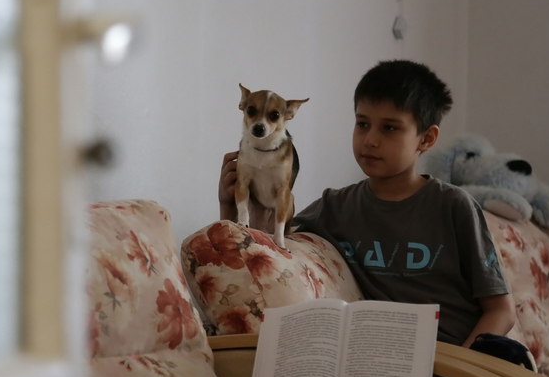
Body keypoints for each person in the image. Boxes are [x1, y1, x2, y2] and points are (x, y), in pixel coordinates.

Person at [218, 60, 515, 348]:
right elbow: (264, 248)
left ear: (426, 139)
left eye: (389, 128)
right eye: (362, 124)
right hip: (373, 357)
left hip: (454, 357)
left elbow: (501, 311)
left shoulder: (453, 206)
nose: (370, 140)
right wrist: (229, 207)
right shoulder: (334, 207)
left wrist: (461, 364)